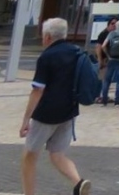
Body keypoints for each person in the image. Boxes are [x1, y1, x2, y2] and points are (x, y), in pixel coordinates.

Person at [20, 17, 92, 195]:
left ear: (48, 36)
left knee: (29, 156)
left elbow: (37, 91)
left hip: (46, 114)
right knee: (57, 155)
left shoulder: (47, 57)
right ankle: (79, 183)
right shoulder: (77, 52)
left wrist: (26, 120)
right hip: (69, 112)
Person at [99, 19, 119, 106]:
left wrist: (108, 55)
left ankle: (104, 100)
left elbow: (103, 46)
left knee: (107, 80)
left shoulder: (111, 33)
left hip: (112, 60)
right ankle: (117, 101)